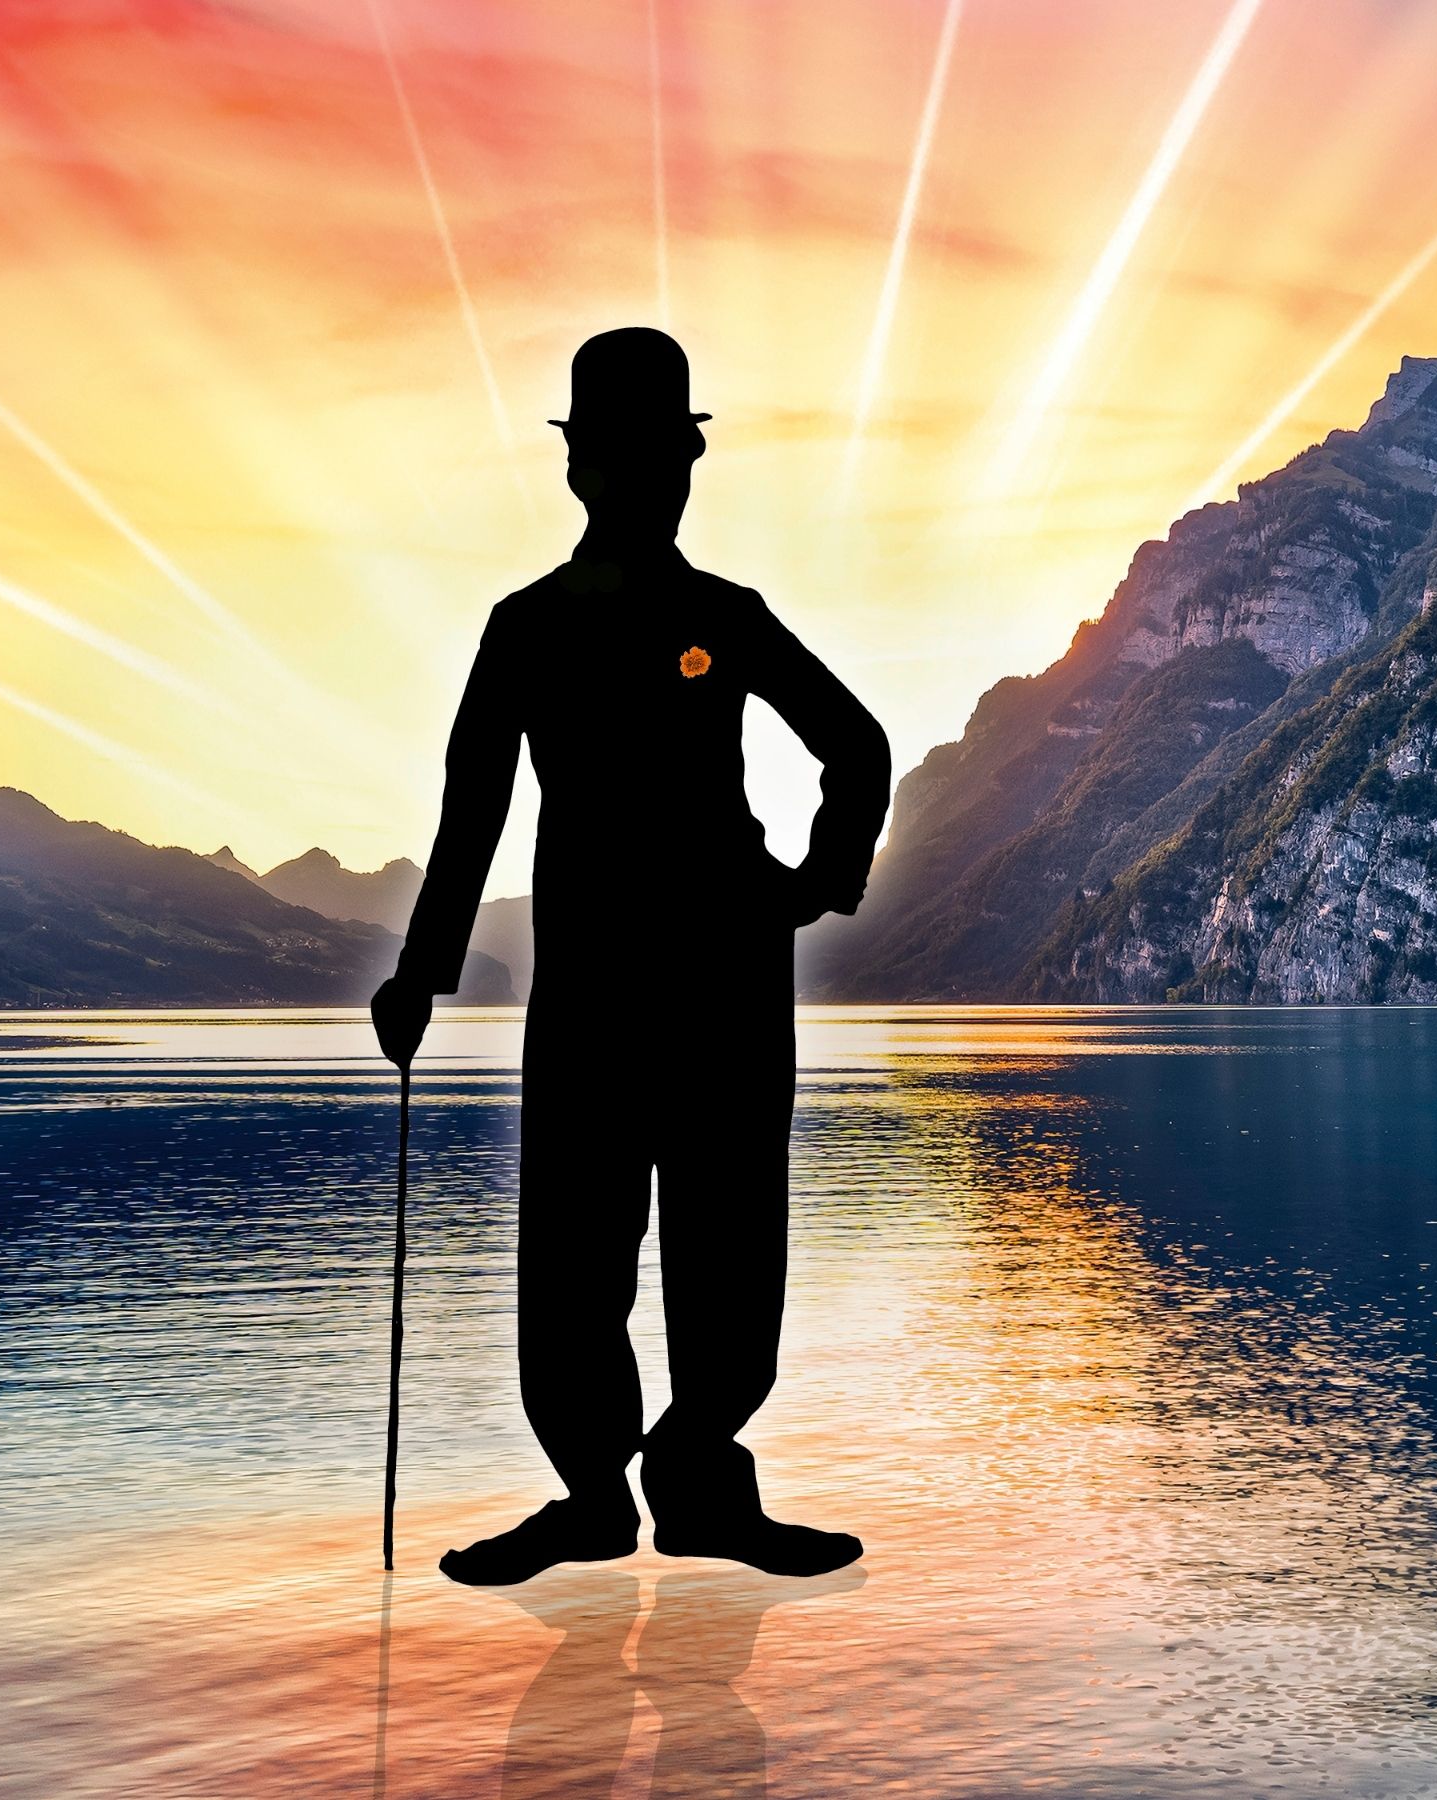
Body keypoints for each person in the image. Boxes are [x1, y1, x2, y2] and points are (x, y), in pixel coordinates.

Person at [371, 326, 892, 1587]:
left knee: (611, 1242)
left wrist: (426, 970)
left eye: (662, 453)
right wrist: (809, 890)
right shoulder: (682, 621)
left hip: (628, 982)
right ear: (641, 468)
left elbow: (472, 814)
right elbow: (855, 753)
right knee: (656, 1243)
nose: (664, 475)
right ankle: (655, 1490)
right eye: (660, 452)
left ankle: (633, 1490)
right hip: (691, 977)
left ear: (578, 470)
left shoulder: (542, 628)